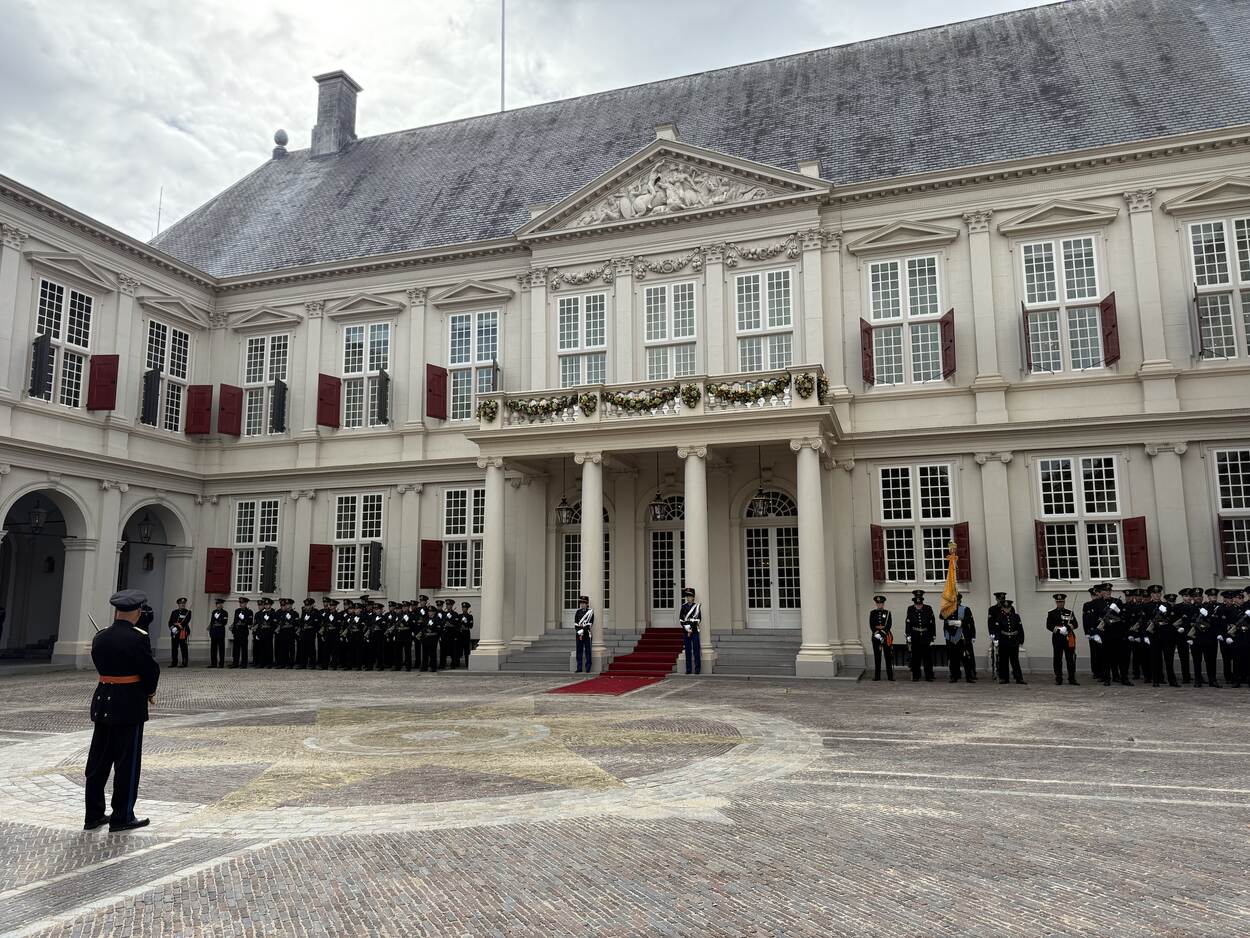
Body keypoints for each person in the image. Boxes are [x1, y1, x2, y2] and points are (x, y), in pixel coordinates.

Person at [84, 589, 160, 833]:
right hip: (128, 704)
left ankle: (93, 814)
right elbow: (149, 670)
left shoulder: (100, 637)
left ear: (117, 611)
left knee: (98, 762)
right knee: (127, 763)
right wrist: (149, 691)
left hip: (103, 702)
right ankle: (122, 816)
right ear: (137, 612)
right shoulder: (138, 638)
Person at [942, 592, 976, 683]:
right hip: (951, 637)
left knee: (966, 658)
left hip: (962, 637)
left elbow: (969, 622)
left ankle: (969, 676)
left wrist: (959, 623)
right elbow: (942, 617)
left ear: (960, 601)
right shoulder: (948, 609)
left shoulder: (965, 609)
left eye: (956, 601)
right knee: (953, 658)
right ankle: (954, 676)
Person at [1045, 593, 1079, 686]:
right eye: (1058, 602)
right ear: (1056, 602)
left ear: (1064, 602)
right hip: (1057, 639)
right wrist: (1059, 630)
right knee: (1057, 659)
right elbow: (1048, 626)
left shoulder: (1070, 612)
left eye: (1062, 602)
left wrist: (1067, 628)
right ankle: (1058, 678)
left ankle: (1072, 678)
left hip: (1069, 638)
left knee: (1070, 659)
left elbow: (1075, 624)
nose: (1060, 603)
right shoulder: (1051, 613)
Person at [905, 589, 935, 682]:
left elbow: (932, 623)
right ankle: (916, 675)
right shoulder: (910, 608)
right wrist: (908, 635)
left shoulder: (928, 608)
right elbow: (908, 622)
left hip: (926, 636)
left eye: (920, 604)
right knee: (915, 657)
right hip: (915, 636)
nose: (918, 606)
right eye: (917, 605)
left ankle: (929, 675)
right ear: (914, 603)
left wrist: (932, 637)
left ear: (922, 602)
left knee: (927, 657)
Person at [995, 598, 1026, 685]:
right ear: (1002, 608)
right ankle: (1004, 678)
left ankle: (1018, 678)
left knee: (1015, 661)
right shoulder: (999, 617)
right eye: (1005, 608)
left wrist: (1021, 640)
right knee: (1003, 660)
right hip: (1003, 641)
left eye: (1008, 608)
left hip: (1014, 641)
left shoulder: (1016, 616)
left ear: (1010, 608)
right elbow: (997, 629)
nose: (1006, 609)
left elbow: (1020, 629)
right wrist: (996, 639)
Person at [867, 595, 894, 681]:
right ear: (876, 604)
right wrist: (876, 633)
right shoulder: (872, 613)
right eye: (878, 603)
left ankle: (890, 676)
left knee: (888, 656)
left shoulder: (888, 613)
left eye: (881, 603)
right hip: (876, 636)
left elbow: (889, 625)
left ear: (883, 604)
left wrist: (882, 633)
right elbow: (871, 624)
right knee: (877, 657)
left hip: (886, 636)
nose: (879, 605)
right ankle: (877, 676)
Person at [679, 586, 702, 675]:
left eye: (690, 596)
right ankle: (688, 669)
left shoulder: (697, 607)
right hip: (686, 631)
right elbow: (681, 619)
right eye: (687, 596)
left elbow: (698, 619)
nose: (688, 598)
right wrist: (687, 628)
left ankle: (697, 669)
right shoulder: (683, 606)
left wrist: (691, 629)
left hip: (695, 631)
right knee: (687, 651)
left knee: (696, 650)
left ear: (693, 597)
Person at [572, 595, 594, 673]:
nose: (582, 604)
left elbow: (590, 624)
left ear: (587, 604)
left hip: (587, 634)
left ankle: (588, 668)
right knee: (579, 651)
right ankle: (579, 668)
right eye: (581, 603)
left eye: (584, 603)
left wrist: (582, 630)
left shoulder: (590, 612)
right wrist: (580, 632)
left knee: (588, 651)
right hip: (579, 634)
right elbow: (575, 624)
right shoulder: (578, 612)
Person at [167, 598, 191, 668]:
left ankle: (184, 662)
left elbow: (186, 621)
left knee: (183, 648)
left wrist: (177, 627)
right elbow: (170, 622)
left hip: (182, 631)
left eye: (183, 603)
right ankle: (174, 662)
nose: (182, 604)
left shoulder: (188, 612)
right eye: (181, 603)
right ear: (178, 604)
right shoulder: (174, 612)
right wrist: (172, 628)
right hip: (174, 632)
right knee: (174, 648)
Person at [230, 597, 252, 669]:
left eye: (242, 603)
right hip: (237, 632)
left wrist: (243, 619)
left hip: (243, 632)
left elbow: (250, 622)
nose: (241, 604)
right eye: (240, 603)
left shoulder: (249, 612)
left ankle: (244, 664)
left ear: (245, 603)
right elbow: (235, 621)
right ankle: (235, 663)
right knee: (236, 648)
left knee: (244, 649)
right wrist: (233, 629)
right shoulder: (237, 611)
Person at [208, 597, 228, 669]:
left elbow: (224, 622)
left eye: (219, 604)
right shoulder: (214, 612)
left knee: (221, 649)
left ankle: (221, 664)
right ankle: (213, 663)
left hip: (220, 632)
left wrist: (218, 621)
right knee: (213, 649)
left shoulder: (224, 612)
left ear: (222, 604)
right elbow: (212, 622)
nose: (218, 605)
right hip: (214, 632)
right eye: (217, 604)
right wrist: (210, 630)